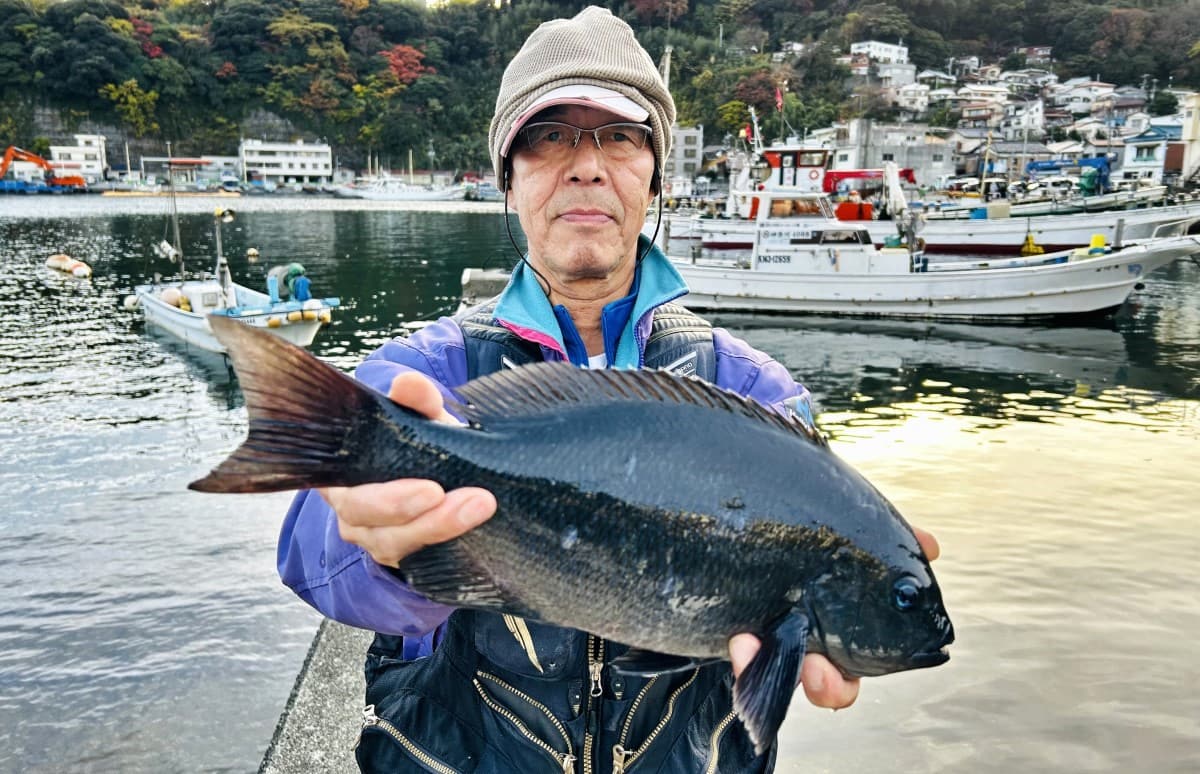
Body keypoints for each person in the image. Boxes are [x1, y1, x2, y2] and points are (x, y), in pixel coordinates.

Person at [278, 7, 939, 772]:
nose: (586, 164)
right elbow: (310, 559)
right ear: (510, 178)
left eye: (620, 136)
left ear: (654, 175)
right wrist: (376, 542)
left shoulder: (759, 393)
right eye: (549, 135)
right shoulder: (426, 377)